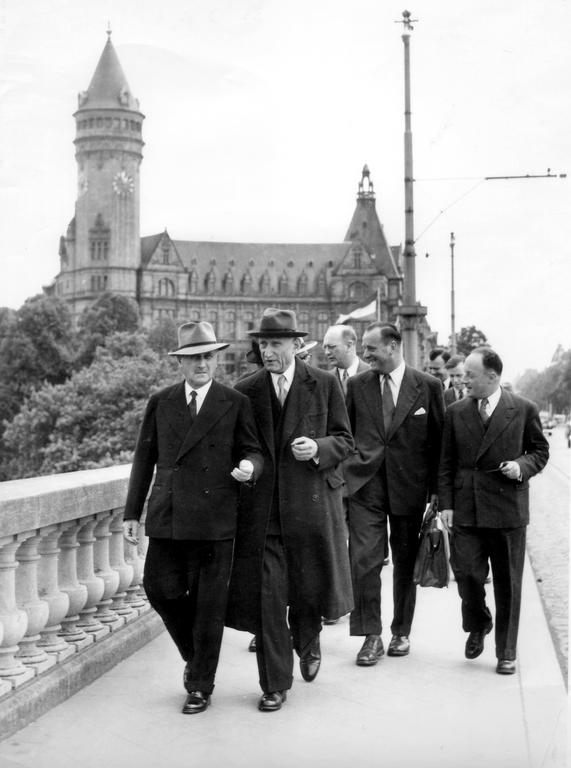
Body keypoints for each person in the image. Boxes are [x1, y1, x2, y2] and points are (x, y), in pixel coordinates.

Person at [123, 321, 263, 714]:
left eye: (207, 356)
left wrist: (250, 468)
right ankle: (195, 655)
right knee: (158, 588)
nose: (201, 363)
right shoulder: (161, 401)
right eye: (193, 358)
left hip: (216, 518)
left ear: (216, 360)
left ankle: (201, 683)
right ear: (181, 363)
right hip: (168, 514)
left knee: (209, 605)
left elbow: (254, 451)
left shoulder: (235, 403)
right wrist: (132, 512)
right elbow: (143, 459)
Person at [227, 308, 354, 712]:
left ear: (297, 346)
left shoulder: (325, 383)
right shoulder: (245, 390)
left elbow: (345, 440)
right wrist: (248, 468)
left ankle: (309, 637)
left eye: (275, 344)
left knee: (307, 592)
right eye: (262, 344)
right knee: (267, 600)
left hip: (310, 510)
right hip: (264, 516)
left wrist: (319, 448)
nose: (267, 352)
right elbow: (243, 447)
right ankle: (274, 684)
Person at [438, 347, 549, 675]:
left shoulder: (524, 409)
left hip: (507, 509)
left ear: (492, 376)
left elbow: (540, 451)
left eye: (470, 375)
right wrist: (446, 505)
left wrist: (521, 465)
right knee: (467, 574)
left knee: (508, 583)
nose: (463, 380)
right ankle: (478, 622)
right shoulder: (456, 411)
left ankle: (507, 651)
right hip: (467, 507)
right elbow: (445, 462)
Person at [344, 322, 444, 665]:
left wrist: (437, 495)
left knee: (404, 563)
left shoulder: (428, 387)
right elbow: (345, 435)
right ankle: (370, 636)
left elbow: (438, 444)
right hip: (365, 486)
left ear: (394, 346)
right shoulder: (357, 386)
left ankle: (401, 631)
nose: (365, 354)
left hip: (410, 488)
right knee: (364, 560)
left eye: (371, 348)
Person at [322, 324, 369, 394]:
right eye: (324, 347)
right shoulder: (325, 380)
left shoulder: (373, 374)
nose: (327, 352)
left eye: (331, 347)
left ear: (349, 346)